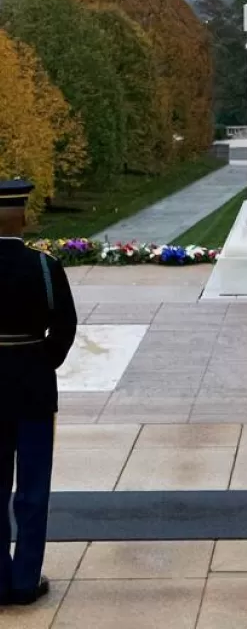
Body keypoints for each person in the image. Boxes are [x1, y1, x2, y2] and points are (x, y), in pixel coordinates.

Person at [0, 179, 77, 607]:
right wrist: (40, 361)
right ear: (24, 219)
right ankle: (26, 578)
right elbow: (64, 327)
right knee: (32, 488)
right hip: (32, 386)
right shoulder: (46, 267)